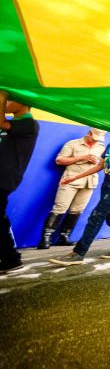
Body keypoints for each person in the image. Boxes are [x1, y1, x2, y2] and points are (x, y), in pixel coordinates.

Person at [50, 132, 110, 265]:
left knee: (96, 215)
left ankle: (79, 252)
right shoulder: (109, 146)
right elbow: (100, 165)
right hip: (107, 185)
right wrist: (75, 177)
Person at [37, 128, 106, 249]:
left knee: (77, 210)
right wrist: (82, 158)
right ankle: (45, 238)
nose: (96, 142)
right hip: (70, 181)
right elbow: (59, 160)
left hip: (89, 183)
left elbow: (102, 163)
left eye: (98, 140)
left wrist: (96, 161)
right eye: (94, 138)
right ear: (89, 134)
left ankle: (64, 237)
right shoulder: (72, 144)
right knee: (60, 208)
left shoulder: (101, 147)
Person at [0, 91, 39, 273]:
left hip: (5, 177)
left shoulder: (29, 123)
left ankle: (11, 259)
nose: (6, 103)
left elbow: (2, 123)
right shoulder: (14, 123)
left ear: (23, 103)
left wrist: (2, 96)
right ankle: (10, 258)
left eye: (10, 99)